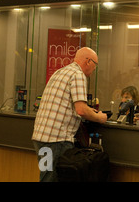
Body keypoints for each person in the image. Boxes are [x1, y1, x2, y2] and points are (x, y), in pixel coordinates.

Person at [32, 47, 107, 182]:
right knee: (55, 178)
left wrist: (88, 109)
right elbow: (81, 110)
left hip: (41, 138)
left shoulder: (60, 72)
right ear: (88, 61)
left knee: (46, 176)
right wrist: (99, 117)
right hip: (57, 140)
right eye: (95, 65)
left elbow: (69, 104)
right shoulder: (78, 75)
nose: (95, 69)